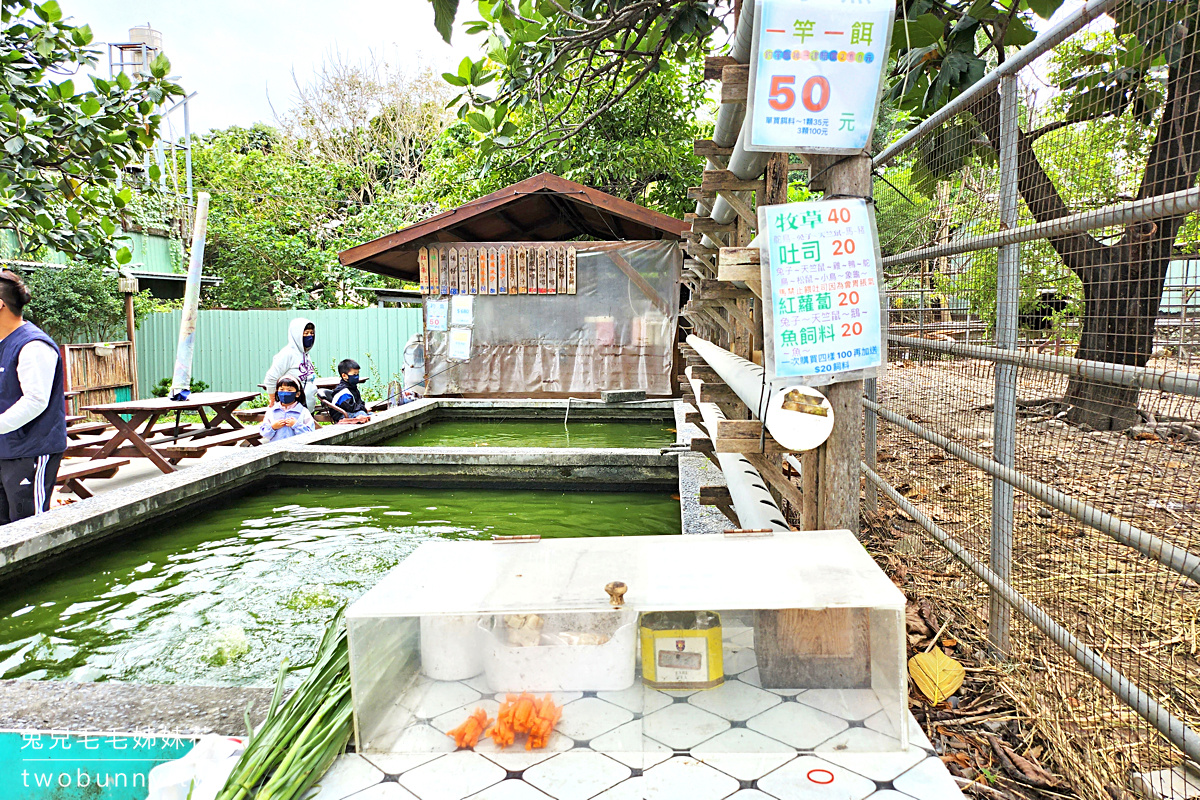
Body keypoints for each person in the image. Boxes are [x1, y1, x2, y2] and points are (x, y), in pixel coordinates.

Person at [0, 270, 66, 523]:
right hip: (5, 448)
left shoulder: (33, 345)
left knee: (29, 526)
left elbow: (35, 401)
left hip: (30, 450)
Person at [263, 318, 317, 413]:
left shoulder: (306, 355)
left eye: (312, 333)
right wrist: (273, 400)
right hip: (291, 408)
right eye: (306, 333)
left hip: (306, 407)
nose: (309, 336)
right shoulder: (287, 354)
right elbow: (271, 378)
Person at [259, 377, 316, 442]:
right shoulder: (272, 411)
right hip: (276, 449)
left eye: (289, 390)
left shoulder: (303, 411)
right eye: (282, 389)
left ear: (297, 394)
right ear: (277, 392)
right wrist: (273, 427)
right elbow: (264, 433)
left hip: (297, 449)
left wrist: (296, 425)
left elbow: (310, 434)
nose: (285, 393)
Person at [330, 359, 370, 424]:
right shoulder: (343, 391)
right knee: (362, 414)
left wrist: (364, 408)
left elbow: (359, 402)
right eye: (354, 374)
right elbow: (350, 407)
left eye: (357, 374)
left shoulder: (353, 388)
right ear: (344, 376)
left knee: (371, 414)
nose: (356, 376)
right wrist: (364, 409)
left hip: (351, 412)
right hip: (342, 415)